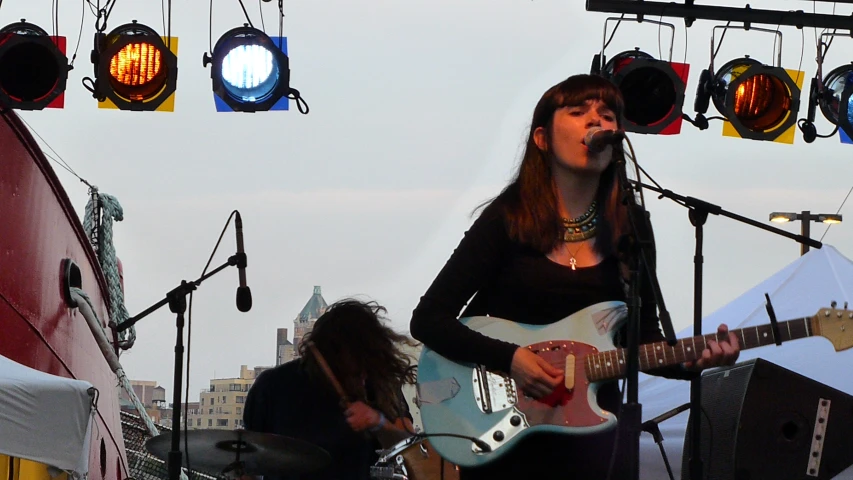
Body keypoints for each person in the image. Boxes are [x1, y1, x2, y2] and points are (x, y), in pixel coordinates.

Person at [409, 74, 740, 479]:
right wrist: (512, 359)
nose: (596, 122)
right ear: (543, 138)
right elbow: (428, 320)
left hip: (597, 440)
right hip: (509, 439)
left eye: (607, 114)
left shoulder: (631, 226)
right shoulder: (506, 220)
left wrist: (694, 361)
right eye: (578, 111)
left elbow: (642, 340)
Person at [243, 299, 418, 480]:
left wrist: (378, 422)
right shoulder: (272, 386)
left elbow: (412, 453)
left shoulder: (378, 382)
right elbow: (246, 457)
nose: (360, 373)